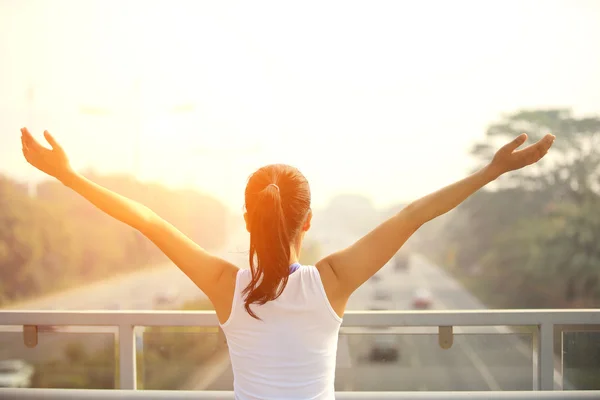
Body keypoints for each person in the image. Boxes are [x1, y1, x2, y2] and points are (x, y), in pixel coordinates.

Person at [19, 127, 555, 399]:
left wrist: (67, 176)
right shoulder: (333, 281)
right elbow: (414, 215)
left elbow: (149, 222)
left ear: (248, 221)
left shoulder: (224, 283)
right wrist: (492, 170)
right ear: (308, 222)